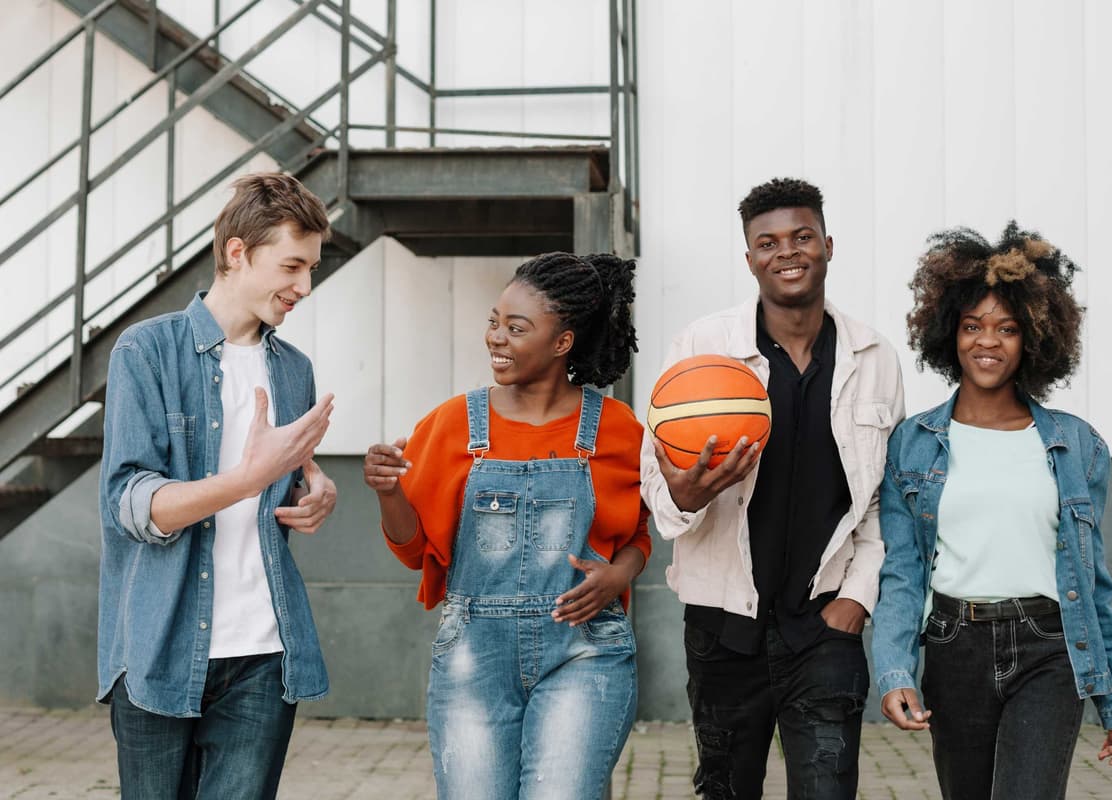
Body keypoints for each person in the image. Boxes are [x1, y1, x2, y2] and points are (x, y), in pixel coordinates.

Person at [640, 178, 904, 799]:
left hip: (824, 624)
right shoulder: (704, 347)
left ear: (828, 245)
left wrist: (858, 599)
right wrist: (688, 493)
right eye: (768, 242)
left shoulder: (875, 357)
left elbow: (882, 501)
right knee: (727, 791)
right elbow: (657, 476)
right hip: (723, 623)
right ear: (750, 257)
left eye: (801, 236)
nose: (787, 252)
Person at [364, 251, 650, 800]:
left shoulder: (617, 429)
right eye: (494, 321)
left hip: (585, 650)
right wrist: (388, 492)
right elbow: (412, 549)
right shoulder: (451, 424)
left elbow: (638, 533)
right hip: (474, 657)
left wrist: (619, 577)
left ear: (562, 342)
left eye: (516, 328)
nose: (496, 337)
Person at [871, 222, 1112, 799]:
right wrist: (893, 670)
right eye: (972, 326)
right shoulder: (913, 445)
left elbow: (1093, 582)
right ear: (948, 334)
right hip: (952, 645)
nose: (986, 341)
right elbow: (902, 572)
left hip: (1050, 648)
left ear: (1035, 337)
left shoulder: (1076, 446)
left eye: (1006, 328)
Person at [97, 173, 339, 798]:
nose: (303, 286)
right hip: (160, 646)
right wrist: (248, 478)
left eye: (310, 268)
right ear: (237, 252)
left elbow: (273, 500)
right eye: (292, 265)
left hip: (263, 651)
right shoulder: (146, 351)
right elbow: (133, 506)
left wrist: (310, 497)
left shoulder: (294, 371)